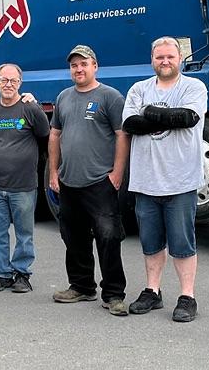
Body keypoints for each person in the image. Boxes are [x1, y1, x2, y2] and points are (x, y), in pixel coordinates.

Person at [121, 37, 206, 322]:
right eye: (159, 57)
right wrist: (165, 117)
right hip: (145, 181)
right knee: (151, 242)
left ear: (180, 58)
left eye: (170, 56)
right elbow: (130, 125)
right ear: (152, 59)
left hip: (180, 180)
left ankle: (187, 296)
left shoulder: (193, 87)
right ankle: (152, 291)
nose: (165, 61)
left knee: (183, 242)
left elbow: (188, 118)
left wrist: (150, 114)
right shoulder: (138, 89)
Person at [48, 45, 130, 316]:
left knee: (108, 236)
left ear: (95, 66)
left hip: (99, 182)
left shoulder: (109, 96)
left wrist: (117, 173)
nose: (78, 69)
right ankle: (82, 286)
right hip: (70, 181)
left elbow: (122, 135)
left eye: (83, 64)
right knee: (73, 237)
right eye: (74, 65)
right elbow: (55, 135)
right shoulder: (63, 97)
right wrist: (53, 172)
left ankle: (114, 293)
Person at [0, 63, 50, 294]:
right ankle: (2, 274)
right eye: (4, 80)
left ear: (20, 83)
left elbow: (45, 137)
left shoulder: (30, 108)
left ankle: (22, 274)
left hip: (23, 186)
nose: (8, 84)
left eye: (13, 81)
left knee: (24, 233)